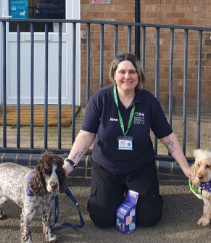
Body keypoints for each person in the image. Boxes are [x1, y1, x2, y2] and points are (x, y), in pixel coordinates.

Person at [62, 53, 191, 228]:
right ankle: (112, 196)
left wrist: (185, 167)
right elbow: (86, 135)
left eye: (132, 71)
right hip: (107, 167)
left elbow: (166, 136)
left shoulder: (149, 102)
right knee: (102, 219)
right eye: (122, 71)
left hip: (139, 167)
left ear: (139, 75)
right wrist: (69, 163)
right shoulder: (100, 99)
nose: (127, 76)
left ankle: (147, 195)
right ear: (114, 75)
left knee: (149, 218)